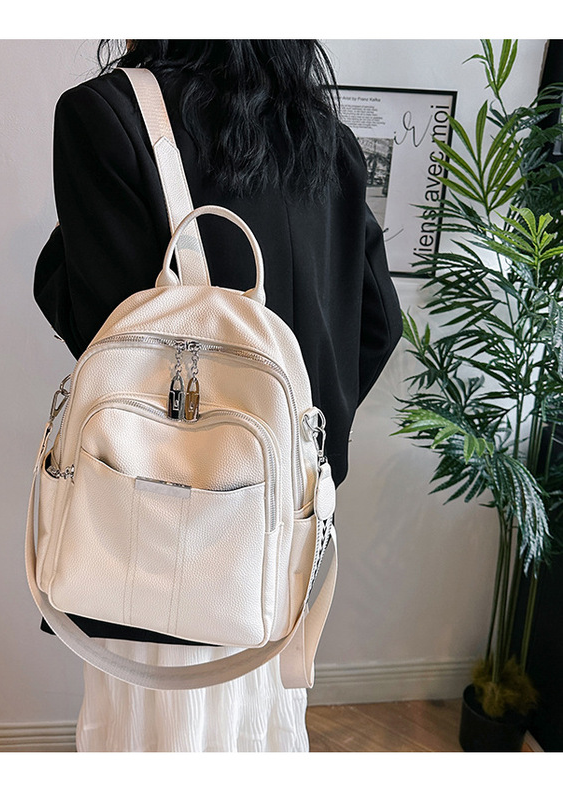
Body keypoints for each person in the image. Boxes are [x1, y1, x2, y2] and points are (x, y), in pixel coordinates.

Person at [33, 39, 402, 752]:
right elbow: (378, 322)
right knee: (259, 731)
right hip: (287, 531)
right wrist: (292, 438)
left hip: (156, 523)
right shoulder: (328, 140)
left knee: (155, 739)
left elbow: (111, 344)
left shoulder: (106, 115)